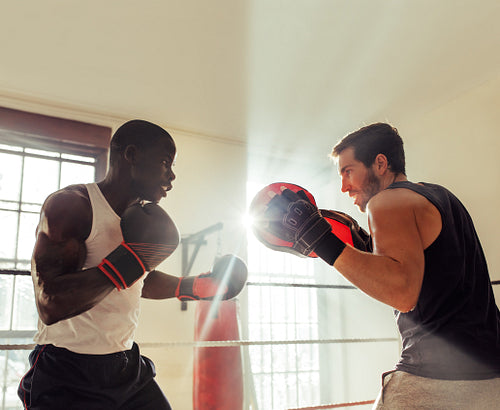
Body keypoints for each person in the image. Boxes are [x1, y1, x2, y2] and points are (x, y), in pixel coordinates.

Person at [251, 122, 500, 408]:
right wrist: (366, 246)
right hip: (491, 380)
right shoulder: (440, 197)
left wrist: (317, 237)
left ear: (380, 163)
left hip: (433, 382)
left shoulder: (386, 202)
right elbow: (429, 273)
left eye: (348, 172)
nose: (344, 186)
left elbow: (402, 294)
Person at [18, 119, 247, 410]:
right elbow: (51, 303)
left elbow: (136, 279)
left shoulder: (138, 220)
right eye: (165, 163)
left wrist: (194, 287)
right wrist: (135, 258)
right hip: (66, 371)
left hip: (125, 366)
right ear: (131, 155)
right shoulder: (72, 206)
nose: (172, 176)